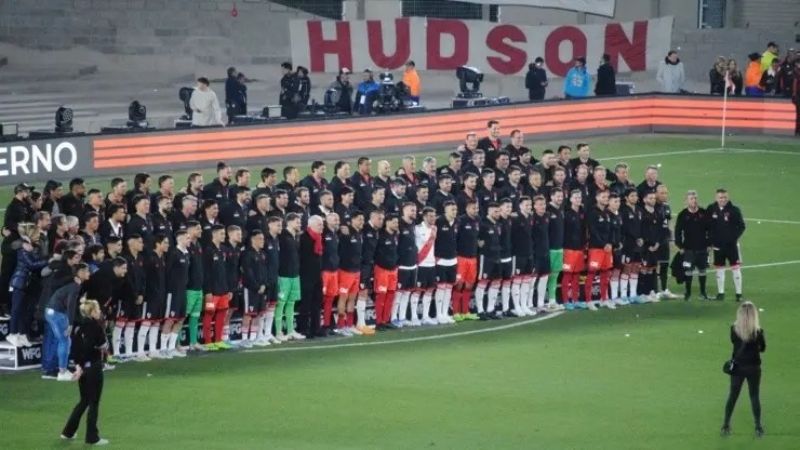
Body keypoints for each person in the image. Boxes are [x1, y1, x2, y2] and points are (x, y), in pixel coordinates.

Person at [60, 299, 110, 446]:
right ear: (93, 312)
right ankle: (92, 437)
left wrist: (78, 367)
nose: (100, 312)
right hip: (94, 367)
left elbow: (74, 349)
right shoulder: (96, 326)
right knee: (94, 402)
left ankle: (68, 432)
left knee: (84, 400)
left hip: (82, 368)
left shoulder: (78, 327)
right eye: (98, 309)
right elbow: (103, 345)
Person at [721, 301, 766, 438]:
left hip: (738, 368)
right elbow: (763, 348)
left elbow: (734, 343)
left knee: (732, 396)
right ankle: (758, 427)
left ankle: (726, 425)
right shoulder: (758, 332)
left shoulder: (733, 330)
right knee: (754, 396)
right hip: (753, 368)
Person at [45, 263, 91, 381]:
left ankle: (58, 369)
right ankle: (62, 372)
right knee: (65, 341)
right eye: (86, 271)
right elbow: (71, 305)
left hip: (52, 311)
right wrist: (70, 323)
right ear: (80, 273)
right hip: (57, 313)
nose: (89, 273)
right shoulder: (75, 285)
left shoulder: (74, 284)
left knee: (62, 341)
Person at [708, 189, 746, 301]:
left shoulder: (734, 210)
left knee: (735, 268)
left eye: (724, 197)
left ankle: (739, 294)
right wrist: (710, 239)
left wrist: (733, 238)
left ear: (727, 197)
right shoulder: (711, 209)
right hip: (717, 245)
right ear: (716, 198)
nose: (723, 199)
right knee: (719, 268)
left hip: (731, 245)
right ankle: (721, 293)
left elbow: (741, 226)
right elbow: (707, 225)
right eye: (720, 197)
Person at [674, 190, 711, 301]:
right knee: (688, 271)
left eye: (695, 198)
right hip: (688, 249)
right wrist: (680, 246)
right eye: (691, 199)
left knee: (703, 270)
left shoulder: (703, 213)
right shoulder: (683, 215)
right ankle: (688, 293)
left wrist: (709, 244)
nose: (694, 201)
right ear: (686, 201)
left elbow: (710, 230)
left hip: (702, 248)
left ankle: (703, 293)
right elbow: (677, 232)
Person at [298, 214, 323, 337]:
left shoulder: (319, 238)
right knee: (306, 303)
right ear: (311, 225)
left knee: (317, 303)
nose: (322, 227)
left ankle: (316, 328)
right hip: (305, 275)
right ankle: (303, 328)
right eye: (319, 224)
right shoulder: (303, 238)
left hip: (317, 275)